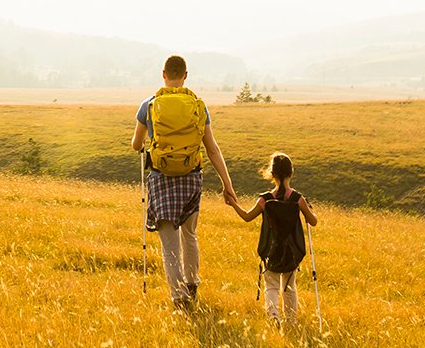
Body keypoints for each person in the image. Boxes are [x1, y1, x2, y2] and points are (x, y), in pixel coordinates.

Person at [129, 55, 238, 309]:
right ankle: (192, 284)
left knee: (169, 245)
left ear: (163, 74)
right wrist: (227, 184)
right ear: (185, 75)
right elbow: (212, 149)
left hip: (161, 178)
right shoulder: (198, 105)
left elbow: (136, 144)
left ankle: (179, 298)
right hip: (191, 178)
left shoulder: (148, 105)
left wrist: (144, 142)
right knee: (190, 234)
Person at [227, 152, 319, 325]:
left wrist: (233, 203)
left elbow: (247, 216)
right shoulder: (297, 199)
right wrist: (309, 210)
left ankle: (273, 314)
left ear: (272, 174)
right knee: (289, 288)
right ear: (291, 173)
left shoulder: (265, 199)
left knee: (271, 286)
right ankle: (291, 322)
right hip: (292, 251)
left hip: (271, 250)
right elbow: (313, 222)